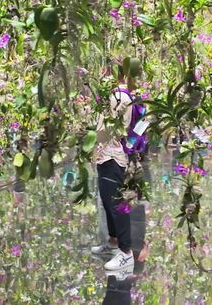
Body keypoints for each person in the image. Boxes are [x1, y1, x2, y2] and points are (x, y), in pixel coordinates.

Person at [90, 65, 141, 272]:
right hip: (105, 155)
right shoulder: (115, 95)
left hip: (112, 156)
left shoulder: (119, 96)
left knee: (117, 204)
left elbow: (109, 128)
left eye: (103, 68)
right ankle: (112, 242)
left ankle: (126, 252)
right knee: (107, 200)